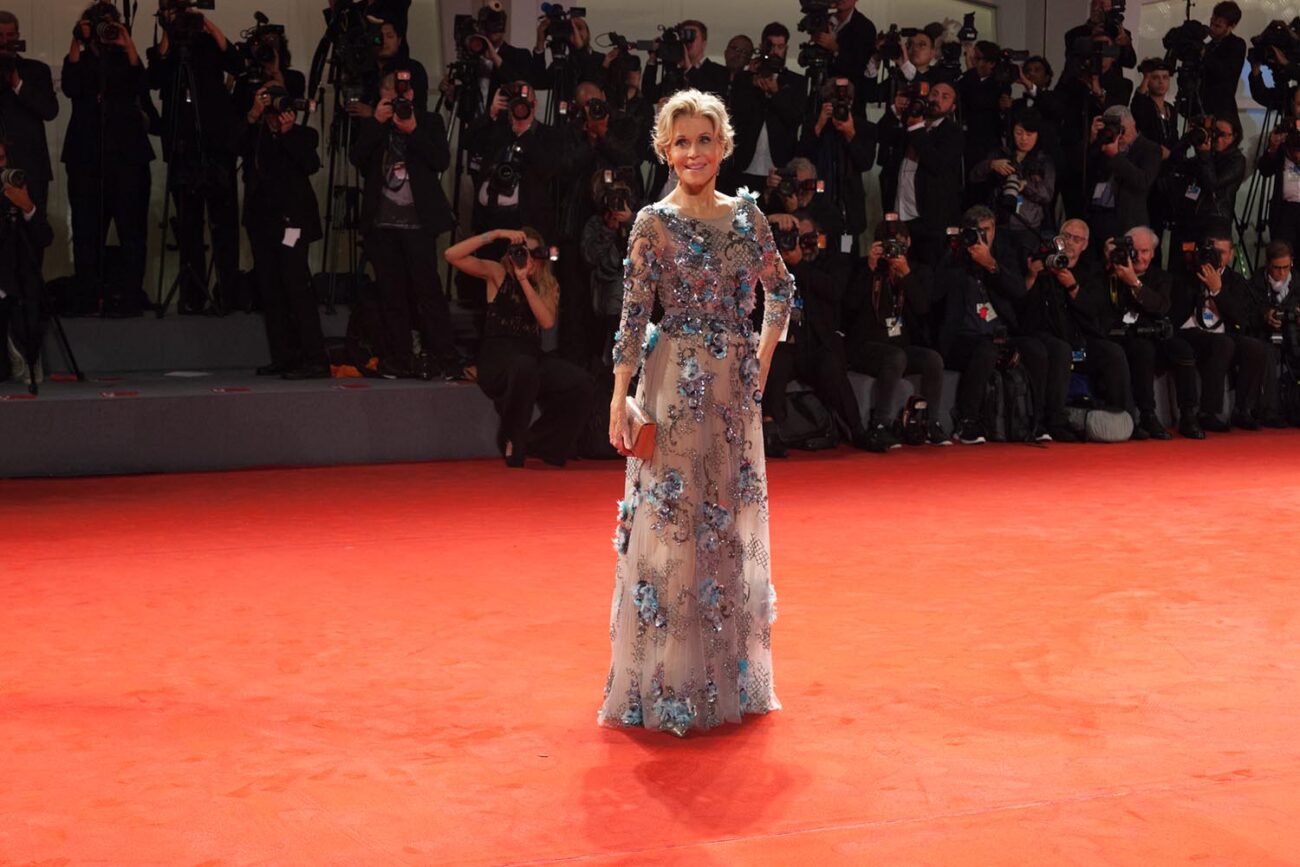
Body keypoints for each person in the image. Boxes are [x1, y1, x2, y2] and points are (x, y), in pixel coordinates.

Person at [600, 89, 793, 736]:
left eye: (703, 140)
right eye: (680, 141)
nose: (692, 152)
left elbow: (782, 291)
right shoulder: (651, 223)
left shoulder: (748, 218)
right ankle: (666, 682)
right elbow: (633, 317)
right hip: (671, 386)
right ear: (664, 148)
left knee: (725, 521)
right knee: (673, 524)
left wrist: (759, 364)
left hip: (732, 391)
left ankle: (722, 679)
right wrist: (619, 393)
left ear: (723, 145)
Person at [445, 226, 594, 467]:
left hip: (531, 358)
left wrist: (525, 280)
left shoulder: (548, 284)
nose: (530, 259)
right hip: (498, 361)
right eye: (524, 253)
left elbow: (546, 322)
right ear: (513, 254)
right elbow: (451, 255)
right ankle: (512, 438)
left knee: (581, 382)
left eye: (535, 254)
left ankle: (538, 442)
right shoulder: (498, 273)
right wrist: (494, 235)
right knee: (524, 367)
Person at [351, 72, 460, 379]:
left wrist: (412, 129)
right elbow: (357, 159)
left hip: (419, 225)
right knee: (391, 294)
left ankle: (444, 356)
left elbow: (440, 160)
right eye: (392, 92)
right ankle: (399, 357)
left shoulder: (429, 121)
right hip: (382, 225)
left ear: (413, 94)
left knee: (429, 293)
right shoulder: (375, 124)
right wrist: (375, 121)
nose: (400, 96)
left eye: (404, 91)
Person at [147, 0, 244, 314]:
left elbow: (237, 63)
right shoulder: (167, 47)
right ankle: (193, 294)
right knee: (188, 224)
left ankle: (229, 292)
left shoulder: (205, 42)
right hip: (182, 146)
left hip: (216, 144)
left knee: (224, 223)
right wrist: (167, 30)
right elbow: (154, 77)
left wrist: (208, 26)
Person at [61, 3, 154, 317]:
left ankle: (130, 296)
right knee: (88, 231)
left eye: (110, 24)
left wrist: (127, 44)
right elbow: (71, 87)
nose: (105, 31)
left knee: (132, 230)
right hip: (86, 157)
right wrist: (78, 37)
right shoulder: (81, 59)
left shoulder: (123, 57)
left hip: (128, 157)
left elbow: (143, 85)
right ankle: (89, 295)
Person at [760, 211, 881, 452]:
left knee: (831, 364)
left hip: (818, 345)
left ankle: (857, 430)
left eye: (808, 238)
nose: (802, 244)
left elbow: (834, 291)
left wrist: (799, 265)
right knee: (776, 357)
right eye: (796, 238)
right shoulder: (773, 264)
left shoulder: (833, 262)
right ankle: (772, 433)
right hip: (788, 346)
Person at [1081, 226, 1205, 439]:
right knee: (1143, 349)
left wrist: (1135, 283)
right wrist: (1110, 265)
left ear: (1153, 253)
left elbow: (1161, 307)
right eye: (1134, 251)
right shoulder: (1109, 273)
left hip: (1156, 334)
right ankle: (1147, 414)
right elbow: (1100, 307)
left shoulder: (1161, 278)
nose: (1139, 257)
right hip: (1126, 338)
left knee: (1182, 349)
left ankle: (1189, 415)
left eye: (1145, 251)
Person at [239, 84, 327, 379]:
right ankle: (284, 355)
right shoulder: (255, 133)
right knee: (271, 290)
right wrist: (253, 115)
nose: (275, 112)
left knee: (296, 286)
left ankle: (315, 357)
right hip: (261, 222)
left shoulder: (303, 135)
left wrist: (287, 133)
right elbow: (231, 146)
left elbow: (310, 164)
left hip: (293, 221)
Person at [844, 219, 949, 445]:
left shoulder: (918, 271)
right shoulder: (864, 267)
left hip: (899, 345)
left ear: (909, 243)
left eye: (899, 246)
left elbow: (923, 308)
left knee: (932, 359)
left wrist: (906, 275)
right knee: (895, 357)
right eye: (889, 246)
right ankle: (880, 424)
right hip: (865, 346)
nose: (893, 253)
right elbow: (849, 306)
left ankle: (930, 423)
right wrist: (870, 269)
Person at [1169, 229, 1269, 431]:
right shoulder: (1187, 273)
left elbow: (1243, 319)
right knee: (1223, 344)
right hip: (1190, 332)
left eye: (1222, 252)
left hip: (1224, 332)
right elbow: (1176, 311)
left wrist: (1218, 291)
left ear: (1231, 254)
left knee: (1256, 347)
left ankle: (1243, 410)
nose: (1217, 257)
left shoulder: (1237, 280)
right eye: (1212, 251)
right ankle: (1208, 412)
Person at [0, 139, 52, 388]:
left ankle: (26, 352)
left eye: (1, 159)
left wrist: (27, 207)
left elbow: (45, 237)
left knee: (29, 290)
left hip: (14, 275)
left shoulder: (17, 190)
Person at [969, 109, 1056, 251]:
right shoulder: (1000, 153)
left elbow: (1047, 195)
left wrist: (1025, 186)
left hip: (1028, 226)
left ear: (1038, 135)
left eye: (1029, 134)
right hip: (999, 222)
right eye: (1019, 133)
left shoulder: (1044, 160)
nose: (1024, 139)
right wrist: (991, 165)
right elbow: (974, 176)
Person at [0, 11, 57, 217]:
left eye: (10, 36)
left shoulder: (36, 71)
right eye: (0, 37)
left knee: (34, 232)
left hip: (31, 166)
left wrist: (19, 85)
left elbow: (50, 111)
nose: (5, 42)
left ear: (18, 36)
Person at [1085, 105, 1161, 254]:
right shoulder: (1103, 144)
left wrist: (1116, 156)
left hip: (1127, 220)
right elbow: (1083, 170)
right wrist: (1093, 140)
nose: (1119, 135)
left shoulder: (1150, 149)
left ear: (1133, 124)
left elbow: (1143, 181)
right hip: (1096, 216)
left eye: (1122, 129)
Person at [1198, 2, 1246, 119]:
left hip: (1222, 111)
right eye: (1211, 23)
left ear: (1232, 26)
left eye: (1218, 26)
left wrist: (1204, 55)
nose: (1212, 28)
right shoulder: (1208, 46)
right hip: (1201, 107)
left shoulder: (1237, 44)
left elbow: (1225, 72)